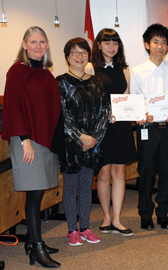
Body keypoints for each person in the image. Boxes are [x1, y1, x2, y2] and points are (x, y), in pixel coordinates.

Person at [2, 26, 62, 268]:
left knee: (37, 194)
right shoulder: (16, 72)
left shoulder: (45, 73)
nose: (38, 46)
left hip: (44, 140)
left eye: (42, 42)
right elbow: (13, 108)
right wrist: (25, 140)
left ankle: (34, 242)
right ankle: (36, 247)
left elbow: (51, 109)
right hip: (26, 141)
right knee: (34, 193)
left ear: (47, 45)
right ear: (24, 45)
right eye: (33, 42)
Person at [57, 38, 111, 246]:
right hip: (71, 144)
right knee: (71, 188)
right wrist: (81, 137)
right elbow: (61, 115)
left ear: (89, 56)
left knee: (87, 186)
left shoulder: (96, 81)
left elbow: (105, 111)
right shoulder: (60, 82)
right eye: (74, 52)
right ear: (67, 57)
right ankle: (72, 230)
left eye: (83, 52)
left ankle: (86, 227)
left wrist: (94, 138)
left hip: (93, 144)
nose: (79, 56)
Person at [86, 28, 137, 236]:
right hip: (101, 127)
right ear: (99, 45)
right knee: (104, 173)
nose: (111, 47)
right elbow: (89, 101)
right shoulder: (90, 68)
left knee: (120, 172)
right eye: (107, 42)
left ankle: (117, 219)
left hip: (121, 126)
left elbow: (126, 97)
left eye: (115, 43)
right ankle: (106, 217)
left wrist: (132, 112)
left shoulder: (124, 69)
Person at [130, 23, 168, 230]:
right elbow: (135, 99)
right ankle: (145, 214)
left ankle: (163, 213)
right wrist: (141, 115)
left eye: (164, 42)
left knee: (167, 172)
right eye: (156, 42)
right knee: (147, 172)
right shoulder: (138, 71)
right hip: (147, 129)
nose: (160, 46)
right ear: (147, 45)